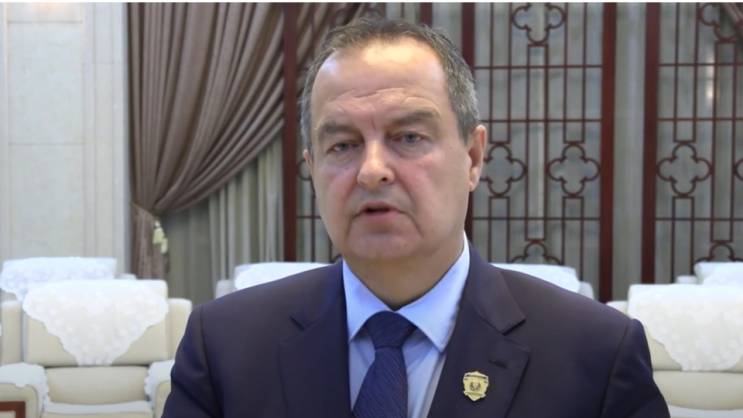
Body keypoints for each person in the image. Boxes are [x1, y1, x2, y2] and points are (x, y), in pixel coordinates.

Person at [163, 18, 669, 418]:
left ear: (473, 157)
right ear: (312, 170)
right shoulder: (225, 345)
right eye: (343, 145)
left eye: (408, 137)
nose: (372, 170)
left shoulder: (594, 353)